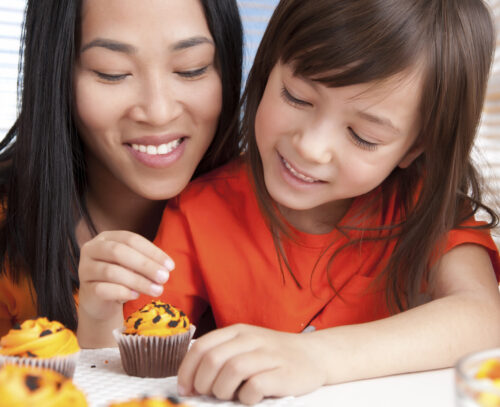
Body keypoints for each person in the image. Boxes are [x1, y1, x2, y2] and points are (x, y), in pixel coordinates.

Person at [85, 0, 500, 403]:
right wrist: (100, 313)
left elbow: (485, 317)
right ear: (268, 71)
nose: (311, 147)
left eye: (363, 137)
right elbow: (134, 361)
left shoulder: (427, 209)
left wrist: (314, 356)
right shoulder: (200, 211)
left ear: (415, 147)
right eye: (297, 98)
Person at [0, 0, 243, 341]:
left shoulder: (277, 207)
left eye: (192, 68)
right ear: (57, 75)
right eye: (112, 72)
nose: (158, 112)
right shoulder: (8, 221)